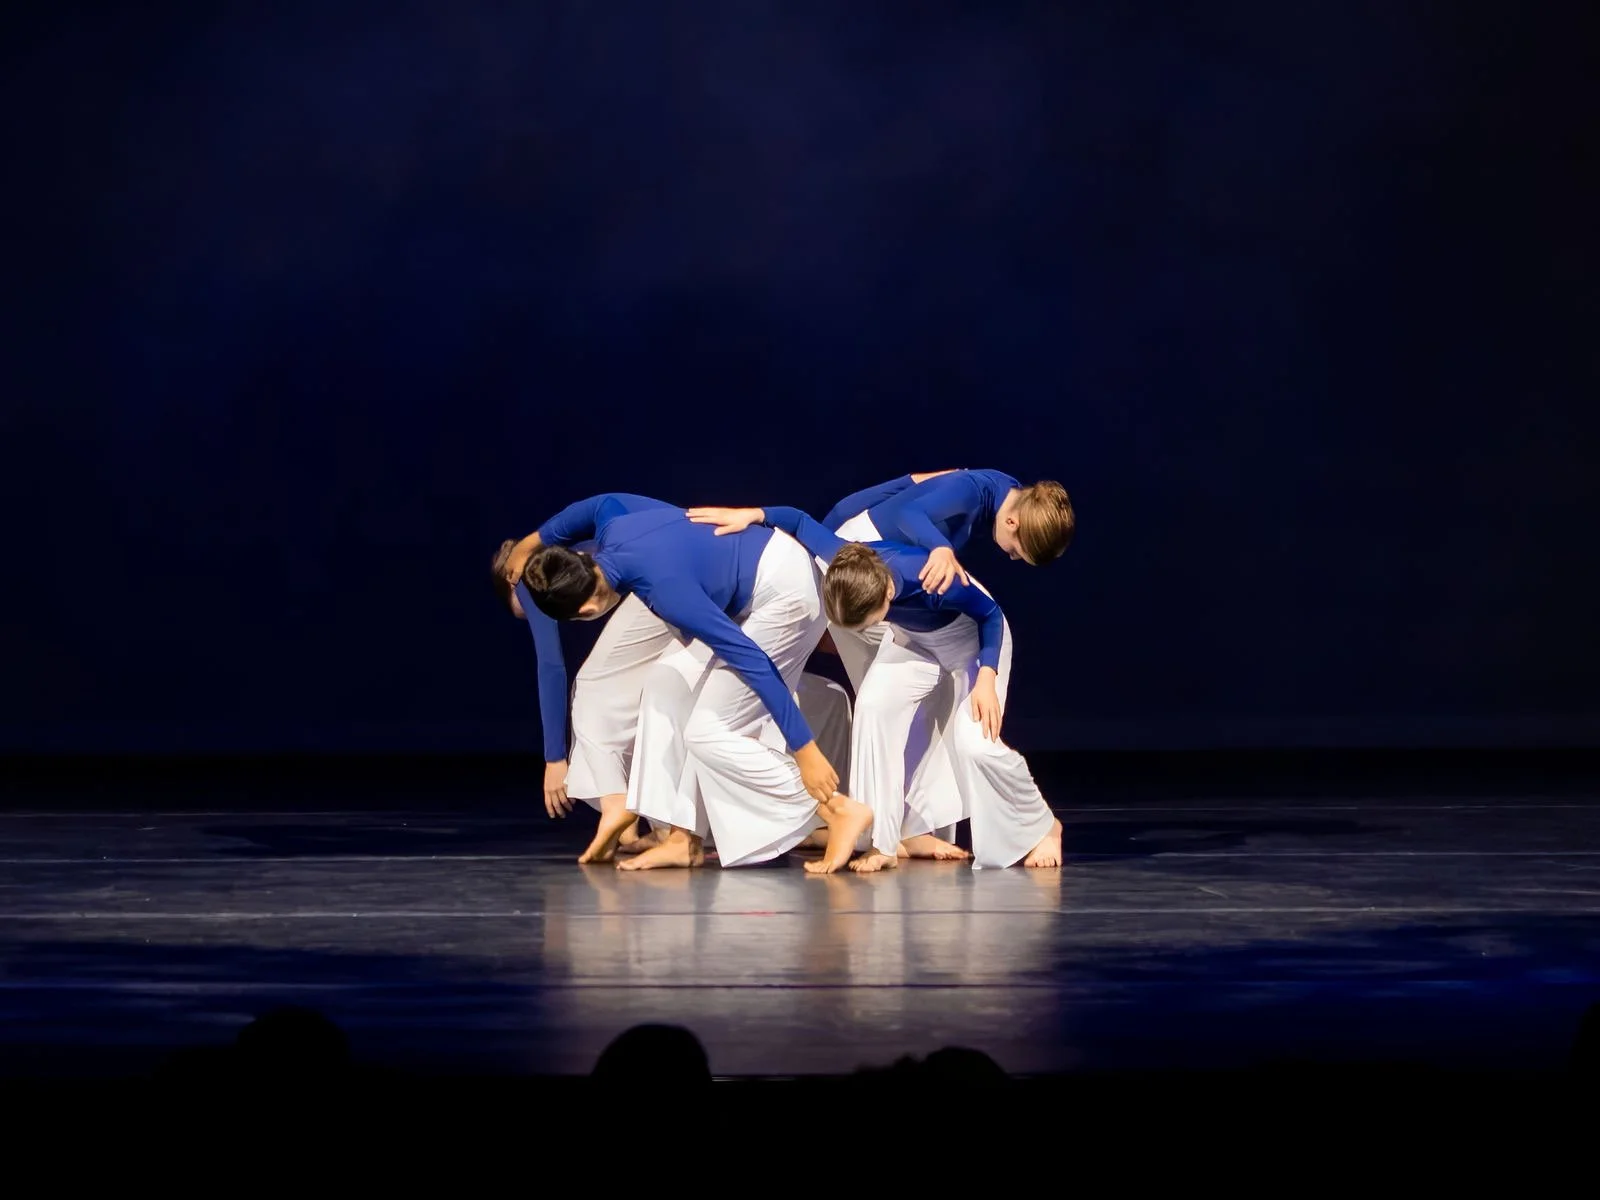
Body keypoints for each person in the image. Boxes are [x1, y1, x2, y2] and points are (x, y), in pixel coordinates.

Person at [687, 503, 1062, 872]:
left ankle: (1044, 826)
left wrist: (986, 676)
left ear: (886, 595)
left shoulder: (929, 580)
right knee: (873, 708)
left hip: (973, 644)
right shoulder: (846, 561)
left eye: (869, 622)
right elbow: (800, 520)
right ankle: (882, 842)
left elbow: (989, 616)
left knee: (974, 743)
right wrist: (752, 514)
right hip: (913, 639)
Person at [491, 494, 853, 861]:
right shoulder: (613, 531)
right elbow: (599, 503)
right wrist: (532, 542)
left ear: (588, 610)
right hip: (757, 580)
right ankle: (682, 839)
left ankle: (837, 810)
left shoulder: (667, 593)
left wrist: (806, 751)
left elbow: (752, 661)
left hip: (786, 594)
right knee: (667, 682)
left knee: (708, 731)